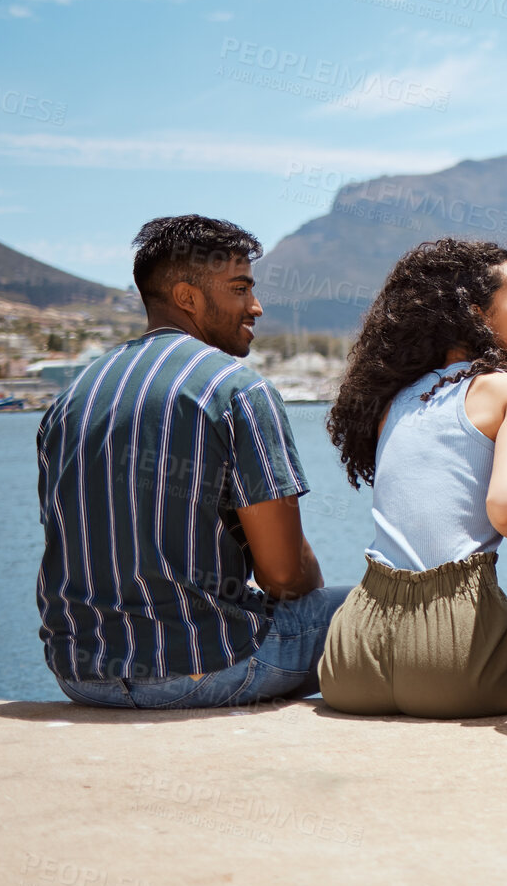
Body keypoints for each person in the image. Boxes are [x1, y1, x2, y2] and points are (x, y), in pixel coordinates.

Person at [37, 215, 349, 708]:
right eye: (240, 289)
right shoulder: (238, 390)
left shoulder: (71, 398)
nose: (256, 306)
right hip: (210, 668)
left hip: (81, 675)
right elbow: (286, 576)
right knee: (376, 607)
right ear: (188, 297)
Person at [318, 240, 507, 717]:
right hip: (455, 656)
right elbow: (505, 508)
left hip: (354, 653)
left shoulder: (394, 401)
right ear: (476, 314)